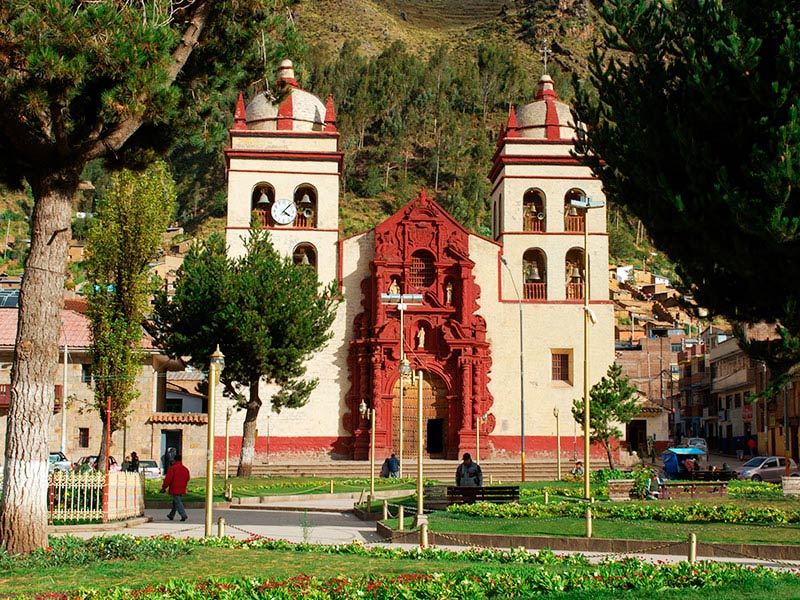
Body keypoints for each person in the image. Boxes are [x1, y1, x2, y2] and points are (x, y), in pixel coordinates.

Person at [161, 453, 190, 521]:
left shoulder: (173, 468)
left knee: (178, 501)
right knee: (176, 502)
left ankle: (183, 515)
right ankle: (171, 515)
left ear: (174, 460)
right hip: (182, 487)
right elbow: (188, 478)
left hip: (174, 487)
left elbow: (168, 479)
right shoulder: (185, 469)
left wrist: (164, 487)